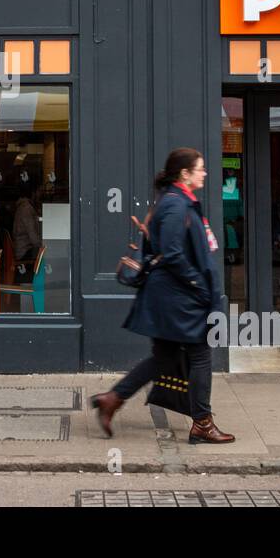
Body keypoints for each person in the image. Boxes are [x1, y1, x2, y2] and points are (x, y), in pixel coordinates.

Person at [91, 147, 234, 444]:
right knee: (200, 355)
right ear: (185, 173)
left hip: (171, 296)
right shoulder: (174, 204)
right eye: (201, 168)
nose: (205, 173)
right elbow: (172, 253)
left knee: (165, 357)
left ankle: (112, 399)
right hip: (177, 298)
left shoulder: (180, 201)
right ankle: (203, 424)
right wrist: (199, 286)